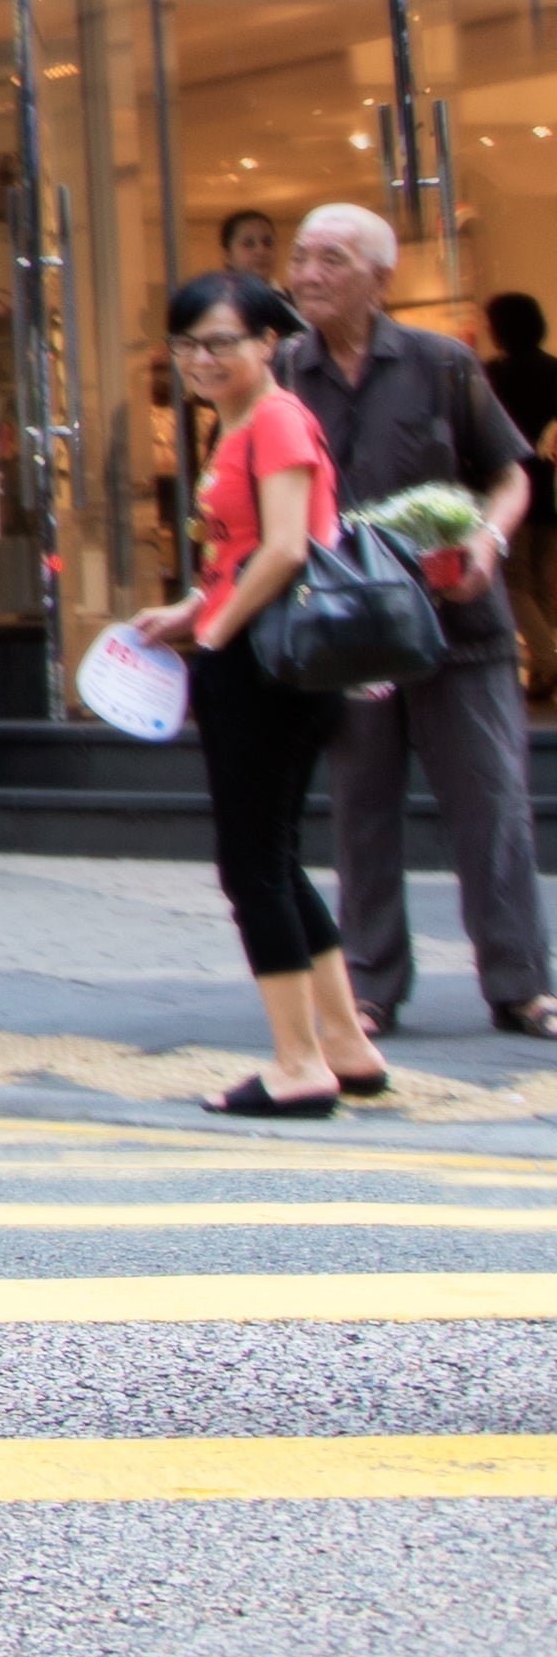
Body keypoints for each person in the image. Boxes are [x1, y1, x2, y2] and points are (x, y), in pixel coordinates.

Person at [111, 269, 395, 1114]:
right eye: (187, 343)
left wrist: (219, 631)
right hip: (260, 654)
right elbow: (244, 554)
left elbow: (285, 550)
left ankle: (296, 1064)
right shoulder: (237, 422)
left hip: (266, 665)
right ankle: (343, 1046)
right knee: (272, 859)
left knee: (249, 870)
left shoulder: (274, 419)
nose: (201, 358)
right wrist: (194, 607)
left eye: (221, 341)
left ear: (270, 342)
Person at [275, 204, 548, 1040]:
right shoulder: (283, 370)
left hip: (458, 624)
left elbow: (510, 476)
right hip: (349, 633)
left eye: (331, 259)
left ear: (380, 278)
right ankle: (370, 987)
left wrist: (489, 540)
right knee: (360, 807)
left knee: (491, 805)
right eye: (301, 258)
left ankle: (520, 985)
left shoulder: (441, 363)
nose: (309, 274)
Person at [486, 292, 557, 707]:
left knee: (515, 585)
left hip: (513, 490)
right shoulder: (554, 370)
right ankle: (550, 657)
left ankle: (546, 661)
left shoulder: (496, 374)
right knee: (542, 585)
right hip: (550, 491)